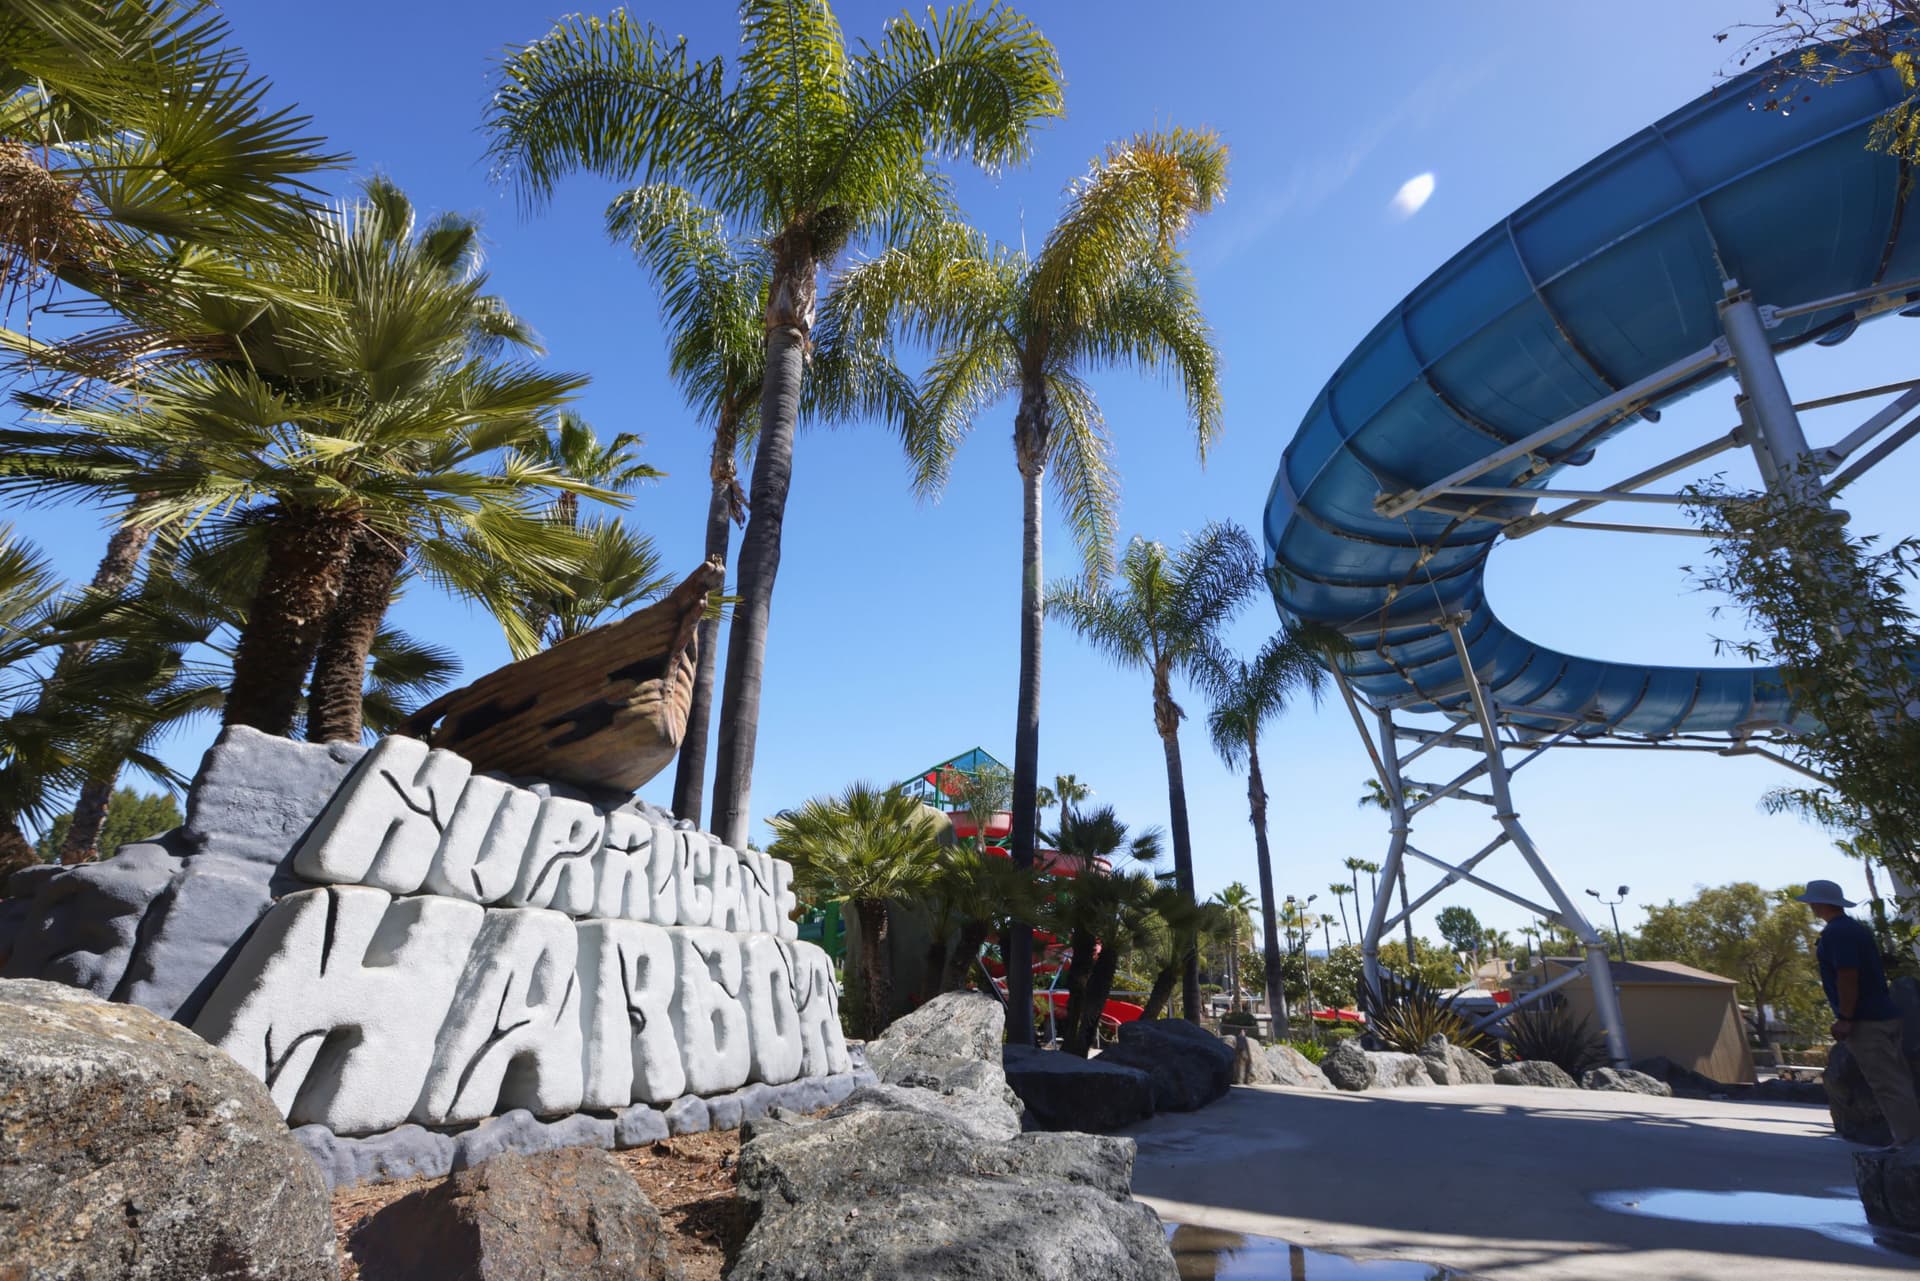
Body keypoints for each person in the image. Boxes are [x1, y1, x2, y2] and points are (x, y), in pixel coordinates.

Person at [1798, 879, 1918, 1147]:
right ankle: (1908, 1138)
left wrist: (1846, 1017)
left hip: (1867, 1020)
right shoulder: (1853, 929)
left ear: (1819, 903)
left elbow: (1847, 975)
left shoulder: (1837, 934)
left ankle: (1908, 1143)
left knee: (1886, 1082)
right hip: (1883, 1014)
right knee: (1896, 1079)